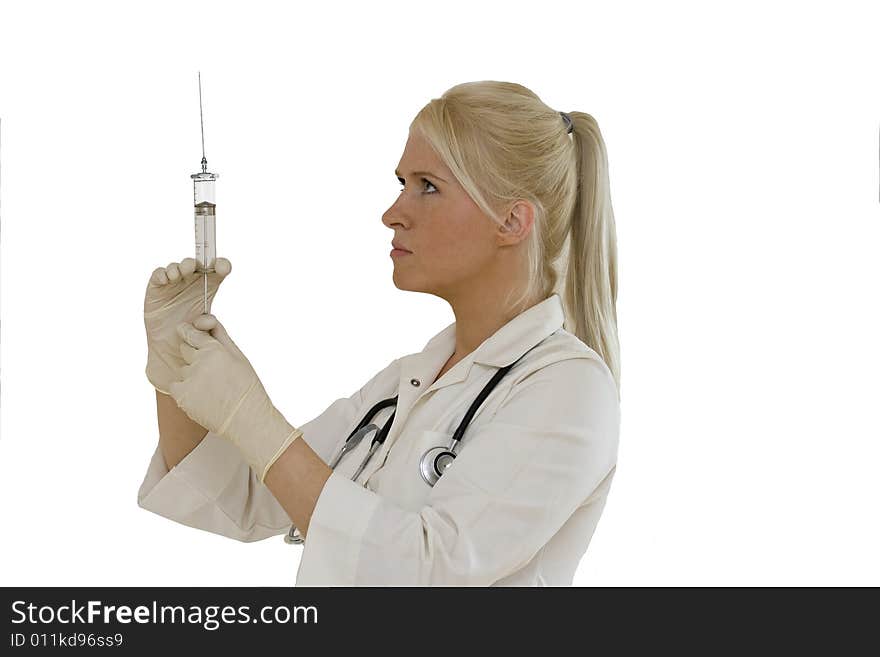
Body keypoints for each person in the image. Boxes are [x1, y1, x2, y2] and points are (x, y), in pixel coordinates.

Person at [138, 80, 621, 586]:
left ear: (511, 221)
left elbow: (425, 570)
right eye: (401, 183)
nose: (393, 214)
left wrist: (254, 418)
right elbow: (244, 494)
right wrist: (176, 363)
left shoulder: (569, 390)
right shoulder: (408, 384)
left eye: (427, 186)